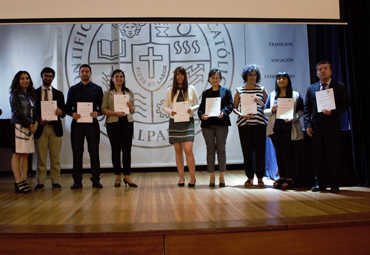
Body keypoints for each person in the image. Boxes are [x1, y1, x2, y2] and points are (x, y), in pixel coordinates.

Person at [304, 61, 350, 193]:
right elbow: (307, 109)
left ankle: (334, 183)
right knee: (318, 157)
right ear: (317, 73)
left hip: (333, 128)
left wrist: (333, 112)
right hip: (316, 129)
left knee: (333, 157)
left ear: (330, 71)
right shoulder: (311, 88)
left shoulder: (339, 86)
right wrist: (308, 125)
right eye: (320, 69)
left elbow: (346, 104)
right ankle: (320, 183)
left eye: (325, 69)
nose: (322, 71)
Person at [66, 64, 104, 189]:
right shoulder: (73, 89)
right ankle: (77, 181)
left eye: (87, 71)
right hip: (77, 124)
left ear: (91, 73)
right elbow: (67, 108)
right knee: (77, 153)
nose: (85, 73)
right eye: (82, 71)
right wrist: (72, 114)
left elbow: (102, 108)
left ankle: (95, 180)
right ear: (79, 73)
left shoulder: (97, 89)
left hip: (92, 124)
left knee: (94, 152)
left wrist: (97, 113)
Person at [264, 72, 304, 189]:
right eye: (279, 78)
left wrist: (293, 118)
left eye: (284, 78)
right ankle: (281, 176)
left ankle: (289, 177)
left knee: (287, 153)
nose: (281, 80)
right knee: (279, 153)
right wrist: (272, 109)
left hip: (289, 128)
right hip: (276, 128)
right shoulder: (272, 95)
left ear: (288, 80)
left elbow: (301, 111)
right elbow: (265, 112)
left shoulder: (295, 95)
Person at [163, 66, 199, 187]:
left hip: (188, 121)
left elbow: (198, 104)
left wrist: (191, 108)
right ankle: (181, 178)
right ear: (175, 76)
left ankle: (193, 178)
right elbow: (165, 106)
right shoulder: (170, 90)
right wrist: (170, 112)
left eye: (182, 74)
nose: (180, 77)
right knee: (178, 151)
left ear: (185, 76)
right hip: (175, 122)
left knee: (188, 150)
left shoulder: (191, 88)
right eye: (177, 74)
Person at [233, 64, 268, 187]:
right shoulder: (239, 90)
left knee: (260, 151)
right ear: (245, 76)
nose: (252, 77)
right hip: (244, 124)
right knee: (247, 151)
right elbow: (234, 108)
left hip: (259, 123)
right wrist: (242, 115)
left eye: (254, 75)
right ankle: (249, 177)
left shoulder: (262, 89)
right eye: (250, 75)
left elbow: (267, 107)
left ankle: (260, 177)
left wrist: (260, 102)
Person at [198, 68, 233, 187]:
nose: (215, 79)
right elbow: (201, 109)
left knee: (221, 150)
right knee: (210, 150)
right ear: (209, 79)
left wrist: (223, 112)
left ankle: (222, 175)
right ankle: (211, 176)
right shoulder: (205, 93)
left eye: (217, 77)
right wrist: (201, 115)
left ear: (220, 79)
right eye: (212, 77)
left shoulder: (226, 92)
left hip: (222, 124)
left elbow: (230, 106)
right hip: (207, 125)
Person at [101, 69, 137, 188]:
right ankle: (117, 176)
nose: (119, 79)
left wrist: (131, 107)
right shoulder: (107, 93)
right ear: (112, 79)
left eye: (121, 76)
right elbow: (103, 109)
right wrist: (115, 113)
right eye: (116, 76)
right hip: (113, 123)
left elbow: (133, 110)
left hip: (127, 122)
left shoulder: (129, 92)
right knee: (115, 149)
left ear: (124, 78)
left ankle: (127, 176)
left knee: (127, 150)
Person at [34, 67, 66, 190]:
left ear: (53, 78)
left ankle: (55, 181)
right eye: (46, 75)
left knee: (55, 157)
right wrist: (38, 120)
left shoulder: (58, 94)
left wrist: (60, 112)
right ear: (42, 76)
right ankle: (40, 182)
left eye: (50, 76)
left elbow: (64, 112)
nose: (48, 78)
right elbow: (33, 112)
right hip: (41, 128)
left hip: (55, 128)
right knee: (41, 157)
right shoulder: (34, 93)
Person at [9, 71, 38, 193]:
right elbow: (17, 111)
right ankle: (18, 181)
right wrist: (29, 124)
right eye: (22, 78)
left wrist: (35, 123)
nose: (25, 80)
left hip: (30, 127)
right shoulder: (15, 94)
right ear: (17, 80)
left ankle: (24, 180)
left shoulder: (31, 95)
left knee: (26, 154)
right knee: (17, 154)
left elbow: (35, 111)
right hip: (19, 127)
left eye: (27, 78)